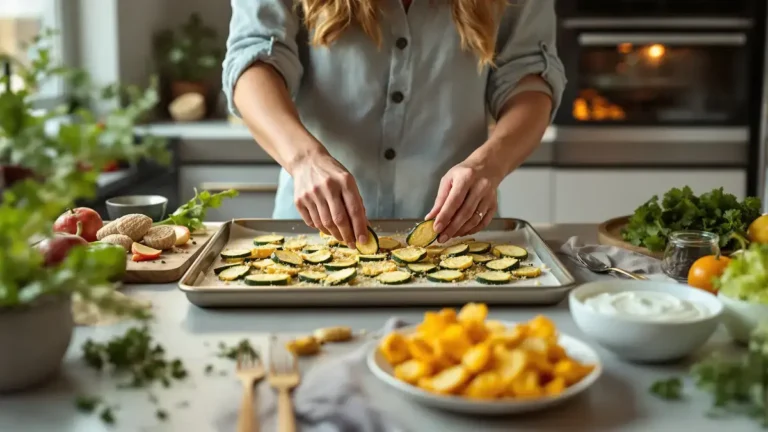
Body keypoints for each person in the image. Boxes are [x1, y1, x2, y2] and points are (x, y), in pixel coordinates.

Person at [223, 0, 564, 248]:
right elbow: (253, 61)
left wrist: (489, 165)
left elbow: (528, 79)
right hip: (310, 234)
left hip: (455, 239)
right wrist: (304, 160)